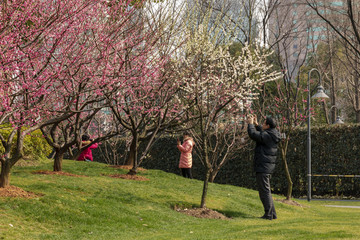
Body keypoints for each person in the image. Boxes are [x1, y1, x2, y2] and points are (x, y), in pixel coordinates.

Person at [247, 115, 280, 220]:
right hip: (267, 166)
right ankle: (272, 214)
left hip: (263, 166)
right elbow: (262, 134)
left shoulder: (268, 136)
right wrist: (257, 125)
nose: (263, 124)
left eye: (264, 123)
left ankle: (268, 214)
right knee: (267, 191)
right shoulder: (273, 134)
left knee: (264, 192)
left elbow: (253, 135)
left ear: (268, 125)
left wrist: (250, 124)